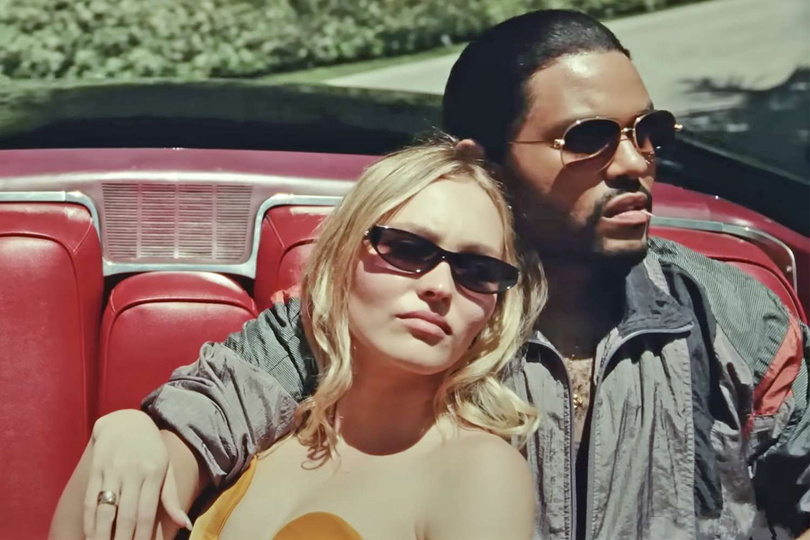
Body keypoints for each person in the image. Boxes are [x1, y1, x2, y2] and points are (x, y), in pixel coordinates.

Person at [57, 8, 810, 540]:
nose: (633, 163)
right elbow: (212, 413)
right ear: (483, 162)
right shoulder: (394, 317)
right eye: (587, 138)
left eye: (649, 132)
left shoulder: (737, 317)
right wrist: (137, 431)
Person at [50, 139, 545, 540]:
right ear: (340, 256)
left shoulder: (478, 471)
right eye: (407, 248)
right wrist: (128, 430)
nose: (440, 287)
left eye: (477, 270)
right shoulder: (256, 431)